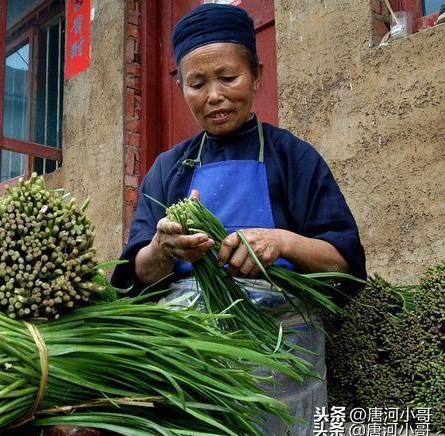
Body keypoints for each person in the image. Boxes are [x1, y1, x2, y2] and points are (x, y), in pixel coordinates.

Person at [111, 3, 366, 435]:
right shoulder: (168, 168)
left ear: (257, 75)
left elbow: (344, 262)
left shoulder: (293, 158)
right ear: (182, 88)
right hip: (191, 358)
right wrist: (162, 250)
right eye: (197, 83)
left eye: (228, 78)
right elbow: (134, 274)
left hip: (283, 356)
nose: (214, 95)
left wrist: (283, 243)